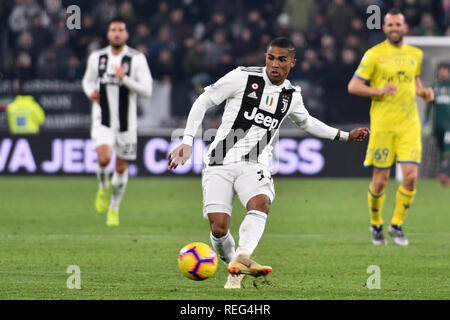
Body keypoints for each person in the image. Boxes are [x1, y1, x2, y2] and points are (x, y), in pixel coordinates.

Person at [168, 37, 370, 289]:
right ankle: (235, 264)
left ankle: (242, 257)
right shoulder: (242, 77)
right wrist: (187, 140)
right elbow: (204, 101)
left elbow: (306, 122)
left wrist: (344, 135)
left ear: (292, 63)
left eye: (281, 59)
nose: (274, 64)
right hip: (219, 160)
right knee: (219, 229)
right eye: (270, 57)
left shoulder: (291, 95)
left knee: (261, 203)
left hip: (255, 163)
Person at [347, 8, 434, 246]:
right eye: (390, 25)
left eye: (398, 25)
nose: (394, 28)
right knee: (380, 181)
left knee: (411, 178)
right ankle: (376, 224)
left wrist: (423, 92)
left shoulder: (415, 53)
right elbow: (353, 86)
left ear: (405, 28)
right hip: (384, 126)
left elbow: (414, 82)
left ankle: (396, 224)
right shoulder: (374, 55)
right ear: (384, 28)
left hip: (409, 125)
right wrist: (378, 90)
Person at [82, 17, 153, 226]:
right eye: (113, 29)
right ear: (108, 34)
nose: (117, 33)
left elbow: (147, 91)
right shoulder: (98, 57)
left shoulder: (137, 58)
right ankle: (103, 186)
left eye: (121, 30)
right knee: (104, 159)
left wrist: (125, 80)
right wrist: (90, 92)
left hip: (126, 123)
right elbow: (87, 80)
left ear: (126, 35)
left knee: (121, 167)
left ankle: (114, 208)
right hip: (102, 118)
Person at [424, 62, 450, 185]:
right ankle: (445, 173)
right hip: (437, 125)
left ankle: (446, 174)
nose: (442, 73)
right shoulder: (434, 87)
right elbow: (429, 105)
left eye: (444, 70)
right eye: (440, 70)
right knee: (441, 149)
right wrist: (426, 120)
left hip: (449, 125)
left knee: (447, 147)